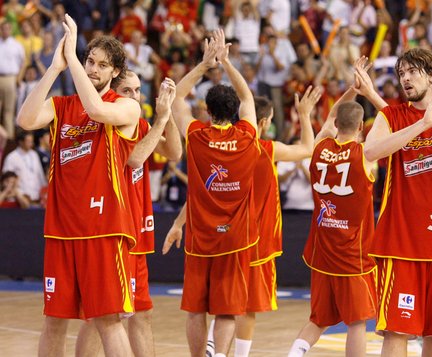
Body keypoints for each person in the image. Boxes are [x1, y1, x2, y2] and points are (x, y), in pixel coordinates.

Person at [16, 14, 141, 357]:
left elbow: (96, 109)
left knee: (107, 321)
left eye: (102, 65)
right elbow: (24, 120)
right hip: (61, 230)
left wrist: (71, 59)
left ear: (115, 72)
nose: (93, 69)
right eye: (89, 61)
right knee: (53, 322)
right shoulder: (62, 107)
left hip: (102, 229)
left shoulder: (127, 106)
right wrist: (55, 68)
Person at [164, 88, 322, 357]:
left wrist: (179, 223)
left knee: (209, 304)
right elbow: (308, 148)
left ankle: (212, 347)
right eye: (270, 119)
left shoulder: (217, 144)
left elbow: (200, 194)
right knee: (242, 307)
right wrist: (305, 116)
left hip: (221, 237)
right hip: (251, 240)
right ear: (262, 122)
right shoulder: (264, 148)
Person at [364, 48, 432, 356]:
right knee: (396, 333)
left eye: (412, 72)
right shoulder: (391, 116)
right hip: (400, 243)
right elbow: (371, 152)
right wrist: (422, 125)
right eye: (401, 74)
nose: (405, 79)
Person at [163, 29, 260, 357]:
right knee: (227, 310)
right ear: (234, 112)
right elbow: (247, 98)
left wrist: (206, 64)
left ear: (206, 109)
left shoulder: (197, 135)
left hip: (201, 237)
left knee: (195, 309)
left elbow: (176, 98)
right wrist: (228, 64)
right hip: (235, 239)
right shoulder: (248, 135)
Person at [75, 71, 182, 357]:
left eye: (138, 90)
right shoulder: (109, 127)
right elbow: (135, 158)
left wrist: (167, 113)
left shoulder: (142, 124)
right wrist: (159, 120)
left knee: (141, 313)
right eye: (128, 91)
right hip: (112, 231)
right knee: (100, 317)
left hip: (136, 232)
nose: (136, 97)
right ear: (113, 94)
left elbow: (174, 152)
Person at [287, 57, 388, 357]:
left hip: (322, 250)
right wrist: (366, 91)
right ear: (360, 126)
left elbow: (332, 116)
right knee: (357, 323)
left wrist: (352, 91)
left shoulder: (320, 146)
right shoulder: (366, 154)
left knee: (317, 320)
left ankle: (294, 354)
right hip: (351, 253)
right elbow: (393, 120)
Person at [2, 130, 46, 204]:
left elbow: (40, 174)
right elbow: (6, 178)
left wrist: (44, 191)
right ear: (21, 142)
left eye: (32, 141)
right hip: (21, 199)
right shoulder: (12, 157)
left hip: (37, 197)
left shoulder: (34, 154)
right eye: (28, 141)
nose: (31, 144)